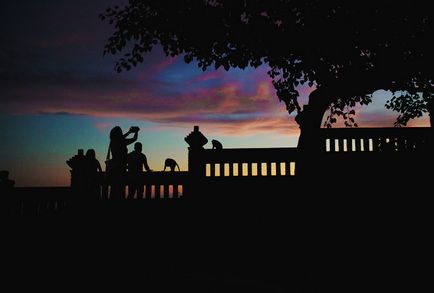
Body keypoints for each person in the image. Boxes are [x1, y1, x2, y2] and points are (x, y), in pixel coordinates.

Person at [108, 126, 139, 199]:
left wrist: (129, 132)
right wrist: (136, 132)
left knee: (114, 190)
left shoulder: (113, 142)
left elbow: (121, 138)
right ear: (119, 134)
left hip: (114, 169)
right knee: (120, 190)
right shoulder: (121, 142)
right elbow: (134, 139)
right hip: (121, 168)